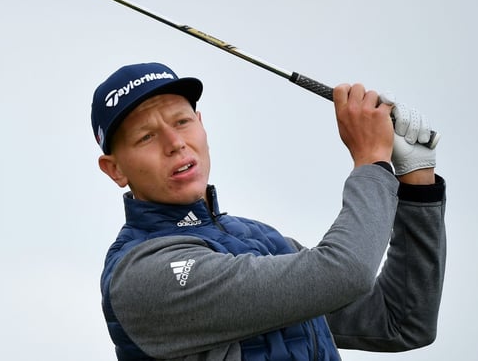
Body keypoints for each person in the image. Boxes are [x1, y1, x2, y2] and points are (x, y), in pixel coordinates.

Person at [91, 62, 446, 361]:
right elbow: (345, 272)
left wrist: (417, 181)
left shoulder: (260, 240)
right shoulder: (141, 275)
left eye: (182, 122)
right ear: (115, 169)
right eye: (146, 137)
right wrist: (372, 161)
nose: (175, 143)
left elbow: (401, 321)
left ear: (201, 124)